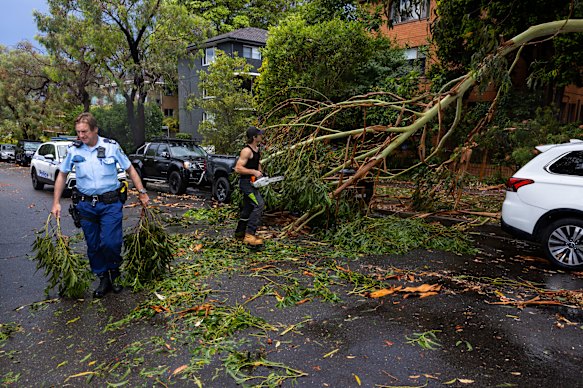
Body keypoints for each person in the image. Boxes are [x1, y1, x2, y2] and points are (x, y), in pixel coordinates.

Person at [51, 112, 150, 298]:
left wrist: (142, 192)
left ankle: (114, 271)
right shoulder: (74, 150)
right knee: (94, 245)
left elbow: (130, 169)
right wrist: (56, 202)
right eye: (78, 132)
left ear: (95, 129)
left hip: (110, 204)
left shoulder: (111, 147)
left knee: (111, 242)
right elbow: (62, 175)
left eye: (85, 131)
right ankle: (103, 277)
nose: (81, 136)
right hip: (85, 205)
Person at [234, 126, 266, 246]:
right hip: (246, 184)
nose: (261, 136)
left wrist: (261, 175)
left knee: (248, 207)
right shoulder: (246, 151)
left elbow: (257, 164)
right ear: (254, 137)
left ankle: (239, 233)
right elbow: (238, 168)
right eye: (260, 135)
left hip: (253, 183)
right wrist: (253, 172)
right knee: (259, 205)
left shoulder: (257, 149)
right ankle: (249, 235)